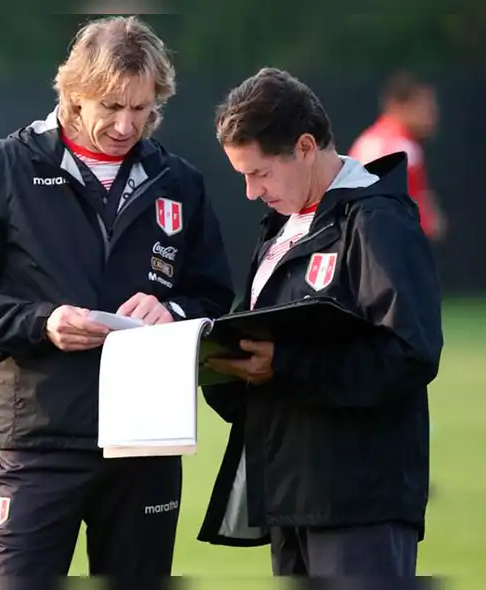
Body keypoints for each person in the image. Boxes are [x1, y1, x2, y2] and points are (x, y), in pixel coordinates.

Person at [0, 16, 234, 578]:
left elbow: (213, 294)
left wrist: (175, 311)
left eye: (140, 109)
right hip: (41, 440)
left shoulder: (179, 181)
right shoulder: (6, 167)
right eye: (111, 106)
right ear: (75, 93)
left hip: (148, 441)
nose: (125, 124)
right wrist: (42, 323)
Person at [199, 67, 443, 578]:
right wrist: (219, 366)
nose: (250, 192)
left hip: (359, 505)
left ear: (306, 146)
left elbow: (410, 353)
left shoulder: (378, 221)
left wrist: (286, 364)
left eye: (259, 173)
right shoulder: (280, 232)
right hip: (292, 501)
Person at [348, 71, 445, 241]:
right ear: (400, 105)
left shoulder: (367, 140)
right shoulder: (404, 147)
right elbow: (422, 219)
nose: (434, 115)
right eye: (426, 107)